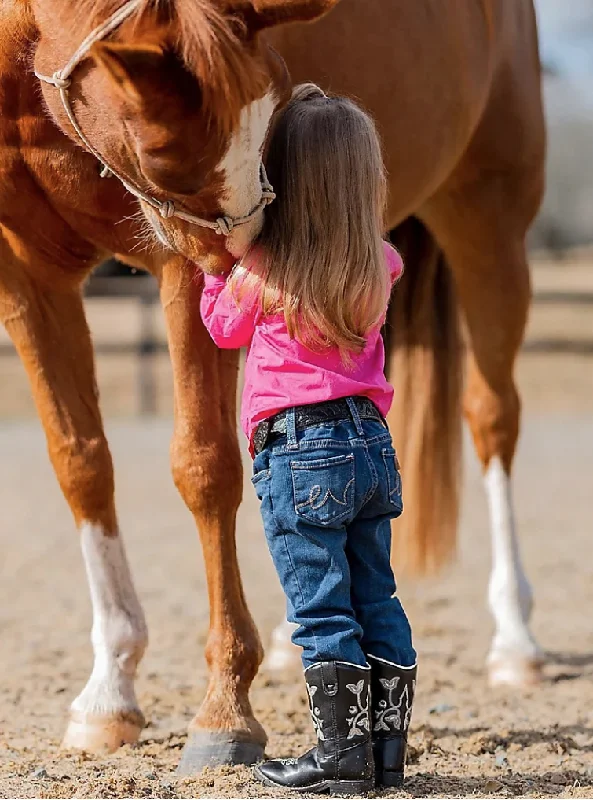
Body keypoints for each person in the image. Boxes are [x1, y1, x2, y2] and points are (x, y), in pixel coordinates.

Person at [200, 83, 417, 795]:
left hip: (299, 451)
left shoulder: (263, 270)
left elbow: (221, 330)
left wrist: (217, 267)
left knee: (320, 606)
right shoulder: (380, 262)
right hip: (370, 445)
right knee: (376, 597)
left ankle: (338, 758)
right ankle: (384, 755)